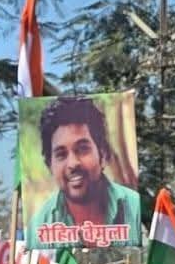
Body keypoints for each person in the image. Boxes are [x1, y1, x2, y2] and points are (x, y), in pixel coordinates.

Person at [26, 96, 143, 248]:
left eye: (82, 149)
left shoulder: (135, 208)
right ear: (50, 165)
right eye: (61, 154)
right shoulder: (39, 227)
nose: (73, 163)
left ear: (103, 154)